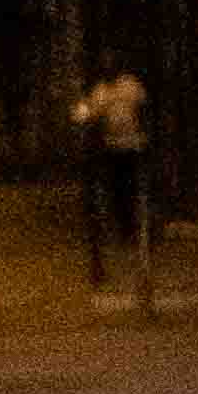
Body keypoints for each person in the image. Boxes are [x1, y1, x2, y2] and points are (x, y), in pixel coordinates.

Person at [72, 62, 149, 280]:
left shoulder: (130, 85)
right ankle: (122, 226)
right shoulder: (101, 92)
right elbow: (88, 115)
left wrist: (144, 133)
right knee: (116, 189)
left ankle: (133, 226)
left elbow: (144, 108)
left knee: (131, 189)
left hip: (133, 146)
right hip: (112, 148)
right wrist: (81, 114)